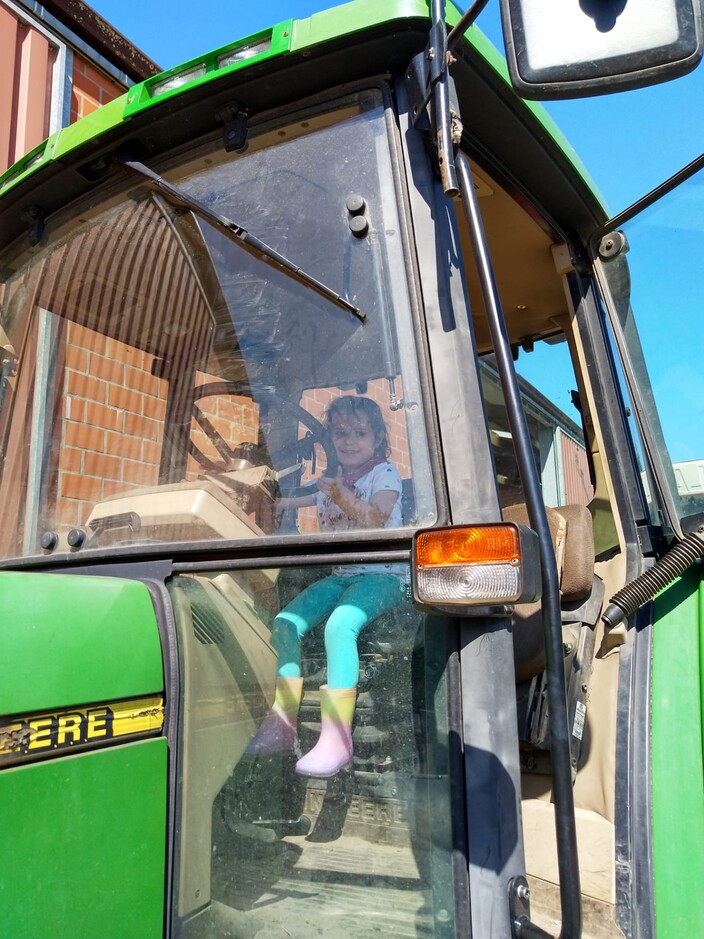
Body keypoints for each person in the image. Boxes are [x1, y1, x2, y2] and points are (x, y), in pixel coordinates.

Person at [247, 395, 407, 777]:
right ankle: (282, 721)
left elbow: (375, 518)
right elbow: (287, 503)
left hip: (385, 574)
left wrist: (337, 494)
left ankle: (336, 737)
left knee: (340, 625)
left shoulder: (383, 474)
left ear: (378, 438)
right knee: (285, 622)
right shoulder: (333, 482)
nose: (349, 441)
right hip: (343, 575)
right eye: (340, 433)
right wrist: (259, 496)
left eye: (360, 433)